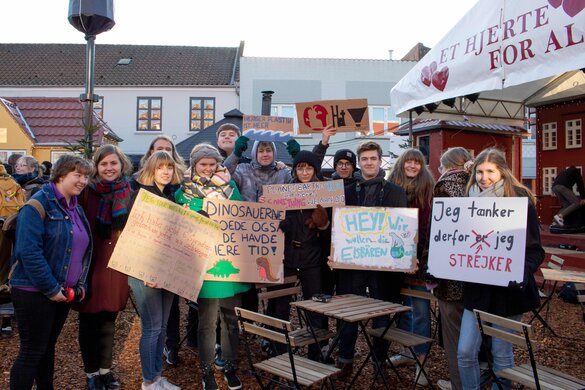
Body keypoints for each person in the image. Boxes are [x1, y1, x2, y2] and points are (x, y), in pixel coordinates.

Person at [457, 148, 544, 390]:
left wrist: (519, 272)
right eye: (479, 172)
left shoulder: (519, 201)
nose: (484, 178)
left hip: (508, 292)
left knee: (501, 353)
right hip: (477, 290)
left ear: (502, 171)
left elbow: (536, 251)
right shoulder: (467, 203)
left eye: (490, 172)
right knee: (464, 352)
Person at [9, 155, 94, 390]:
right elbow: (29, 252)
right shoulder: (37, 206)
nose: (83, 181)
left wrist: (79, 286)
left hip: (62, 293)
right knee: (31, 351)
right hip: (33, 291)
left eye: (86, 176)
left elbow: (84, 251)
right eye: (77, 175)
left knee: (46, 348)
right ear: (61, 175)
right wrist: (51, 288)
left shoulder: (75, 207)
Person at [175, 144, 249, 390]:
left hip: (230, 262)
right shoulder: (184, 191)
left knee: (230, 319)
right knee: (206, 322)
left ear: (218, 165)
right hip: (204, 266)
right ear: (194, 165)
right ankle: (206, 371)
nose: (207, 169)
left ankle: (228, 366)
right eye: (202, 164)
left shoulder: (231, 187)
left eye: (211, 164)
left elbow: (241, 212)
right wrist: (206, 210)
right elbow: (187, 216)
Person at [334, 141, 407, 379]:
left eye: (373, 159)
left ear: (380, 161)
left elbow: (403, 229)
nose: (369, 163)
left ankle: (379, 362)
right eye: (364, 159)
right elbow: (337, 228)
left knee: (382, 314)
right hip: (351, 265)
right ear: (359, 162)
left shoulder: (396, 192)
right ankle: (345, 360)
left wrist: (407, 257)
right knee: (347, 312)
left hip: (383, 267)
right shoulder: (345, 192)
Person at [73, 145, 133, 390]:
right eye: (104, 164)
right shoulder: (86, 192)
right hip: (91, 262)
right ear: (96, 167)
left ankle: (105, 370)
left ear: (122, 165)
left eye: (113, 163)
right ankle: (91, 374)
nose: (109, 168)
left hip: (117, 262)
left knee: (110, 319)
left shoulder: (130, 191)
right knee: (89, 320)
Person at [267, 150, 331, 360]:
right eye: (300, 167)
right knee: (280, 304)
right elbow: (270, 222)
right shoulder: (284, 192)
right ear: (295, 169)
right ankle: (279, 350)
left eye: (309, 167)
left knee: (314, 304)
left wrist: (324, 224)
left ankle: (316, 351)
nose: (304, 171)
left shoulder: (324, 193)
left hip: (312, 256)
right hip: (286, 256)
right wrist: (273, 214)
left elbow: (333, 233)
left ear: (315, 169)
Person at [128, 151, 183, 390]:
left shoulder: (171, 195)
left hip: (168, 270)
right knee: (151, 327)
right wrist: (147, 270)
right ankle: (148, 380)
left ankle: (158, 376)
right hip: (145, 270)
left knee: (161, 326)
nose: (166, 171)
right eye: (161, 167)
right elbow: (134, 238)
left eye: (169, 167)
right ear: (151, 169)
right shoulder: (141, 196)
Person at [387, 148, 435, 386]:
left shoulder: (428, 188)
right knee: (403, 311)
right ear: (402, 164)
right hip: (393, 259)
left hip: (418, 262)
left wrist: (417, 257)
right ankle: (407, 352)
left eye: (417, 162)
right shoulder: (391, 185)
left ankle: (421, 362)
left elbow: (428, 228)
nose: (413, 166)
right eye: (409, 162)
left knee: (420, 314)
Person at [431, 147, 474, 390]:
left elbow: (441, 232)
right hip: (479, 272)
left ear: (447, 166)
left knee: (454, 334)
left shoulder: (445, 186)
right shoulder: (480, 185)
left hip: (451, 273)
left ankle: (459, 383)